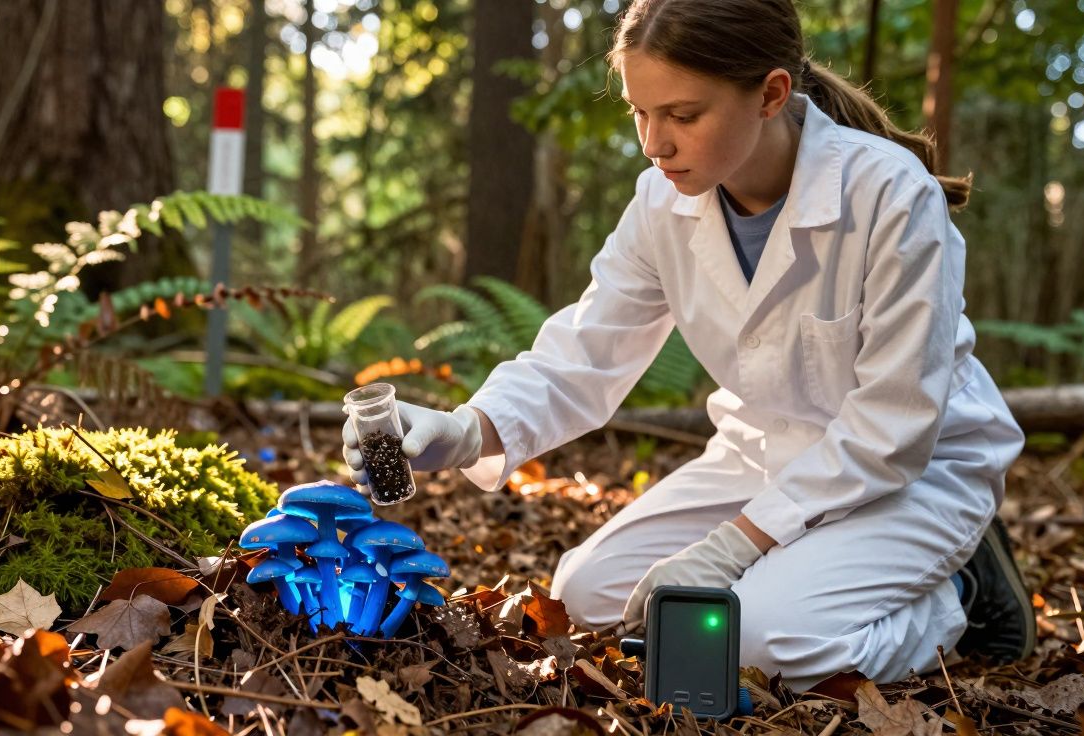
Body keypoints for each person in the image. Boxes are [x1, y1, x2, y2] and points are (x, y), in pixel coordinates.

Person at [342, 0, 1035, 691]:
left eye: (682, 115)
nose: (654, 143)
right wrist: (465, 430)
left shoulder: (890, 195)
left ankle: (958, 597)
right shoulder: (660, 203)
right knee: (587, 594)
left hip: (912, 472)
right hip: (762, 456)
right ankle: (806, 577)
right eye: (639, 113)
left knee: (754, 644)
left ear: (771, 95)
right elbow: (586, 350)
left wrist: (734, 546)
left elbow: (892, 423)